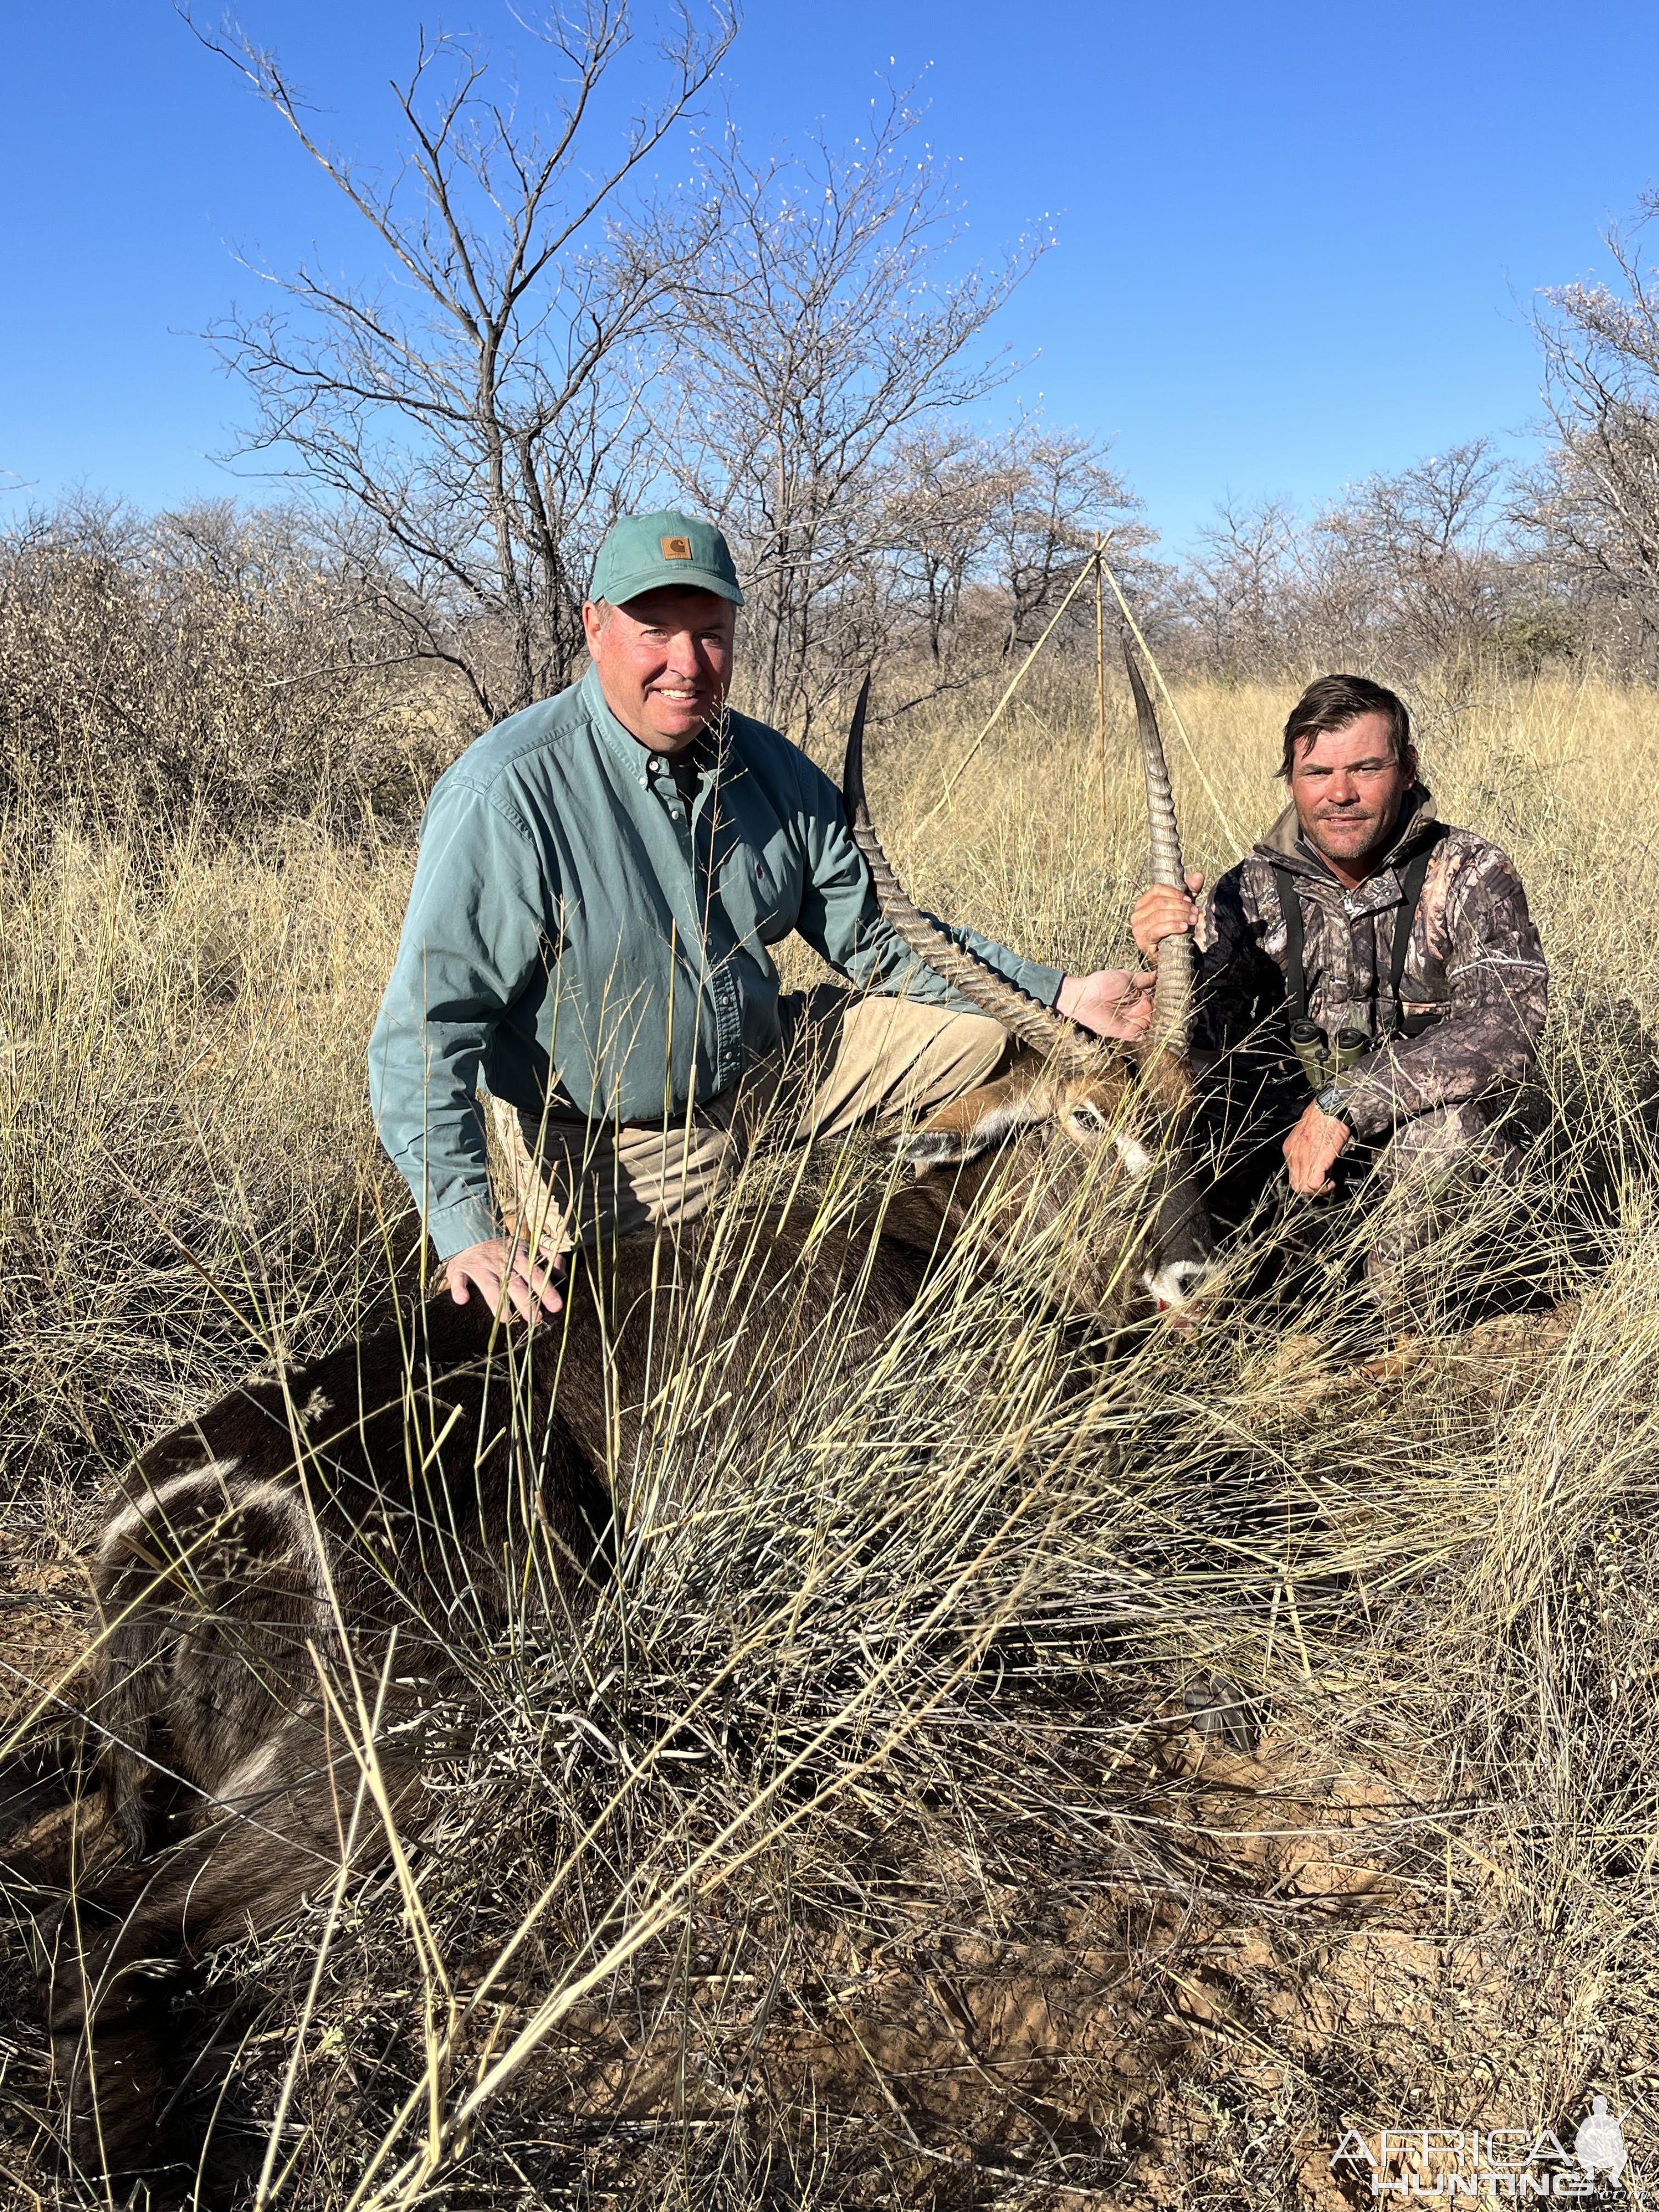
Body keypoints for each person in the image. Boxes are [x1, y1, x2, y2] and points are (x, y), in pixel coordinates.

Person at [371, 510, 1153, 1318]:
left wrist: (1062, 994)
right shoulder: (506, 794)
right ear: (594, 626)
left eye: (710, 634)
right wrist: (461, 1226)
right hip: (620, 1138)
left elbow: (880, 936)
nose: (687, 664)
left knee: (994, 1039)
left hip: (770, 1068)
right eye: (655, 631)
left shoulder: (768, 764)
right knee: (655, 1343)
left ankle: (1025, 1266)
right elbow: (424, 1031)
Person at [1130, 673, 1547, 1304]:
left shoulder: (1470, 872)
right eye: (1318, 773)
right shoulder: (1245, 890)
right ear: (1292, 781)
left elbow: (1508, 1024)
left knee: (1449, 1140)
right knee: (1158, 1129)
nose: (1342, 794)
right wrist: (1168, 957)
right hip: (1283, 1152)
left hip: (1408, 1143)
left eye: (1367, 769)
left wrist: (1347, 1103)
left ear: (1407, 770)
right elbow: (1200, 1042)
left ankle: (1398, 1318)